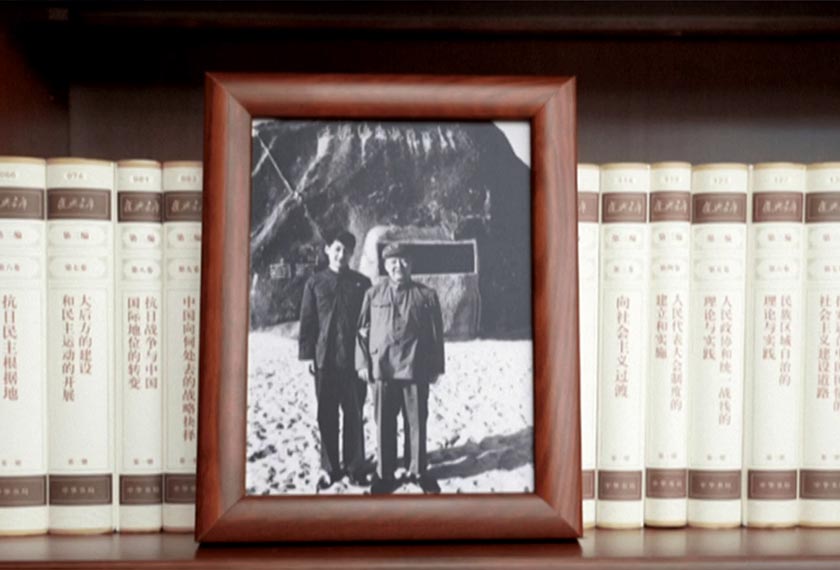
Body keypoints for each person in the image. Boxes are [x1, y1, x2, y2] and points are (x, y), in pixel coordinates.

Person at [355, 242, 445, 494]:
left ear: (411, 264)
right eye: (393, 261)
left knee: (416, 421)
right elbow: (361, 333)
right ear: (385, 265)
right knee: (384, 422)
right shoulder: (373, 295)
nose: (398, 266)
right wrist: (362, 363)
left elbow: (437, 335)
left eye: (403, 260)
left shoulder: (426, 295)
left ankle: (417, 470)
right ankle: (384, 475)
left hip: (415, 367)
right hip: (382, 368)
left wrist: (437, 365)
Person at [298, 229, 371, 489]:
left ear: (352, 253)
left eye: (347, 250)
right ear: (327, 250)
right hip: (324, 362)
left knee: (353, 413)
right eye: (337, 249)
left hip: (354, 362)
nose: (342, 254)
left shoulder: (362, 284)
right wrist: (308, 356)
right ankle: (329, 468)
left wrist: (367, 360)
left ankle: (354, 467)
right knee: (326, 415)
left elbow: (369, 324)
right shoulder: (314, 283)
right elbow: (307, 322)